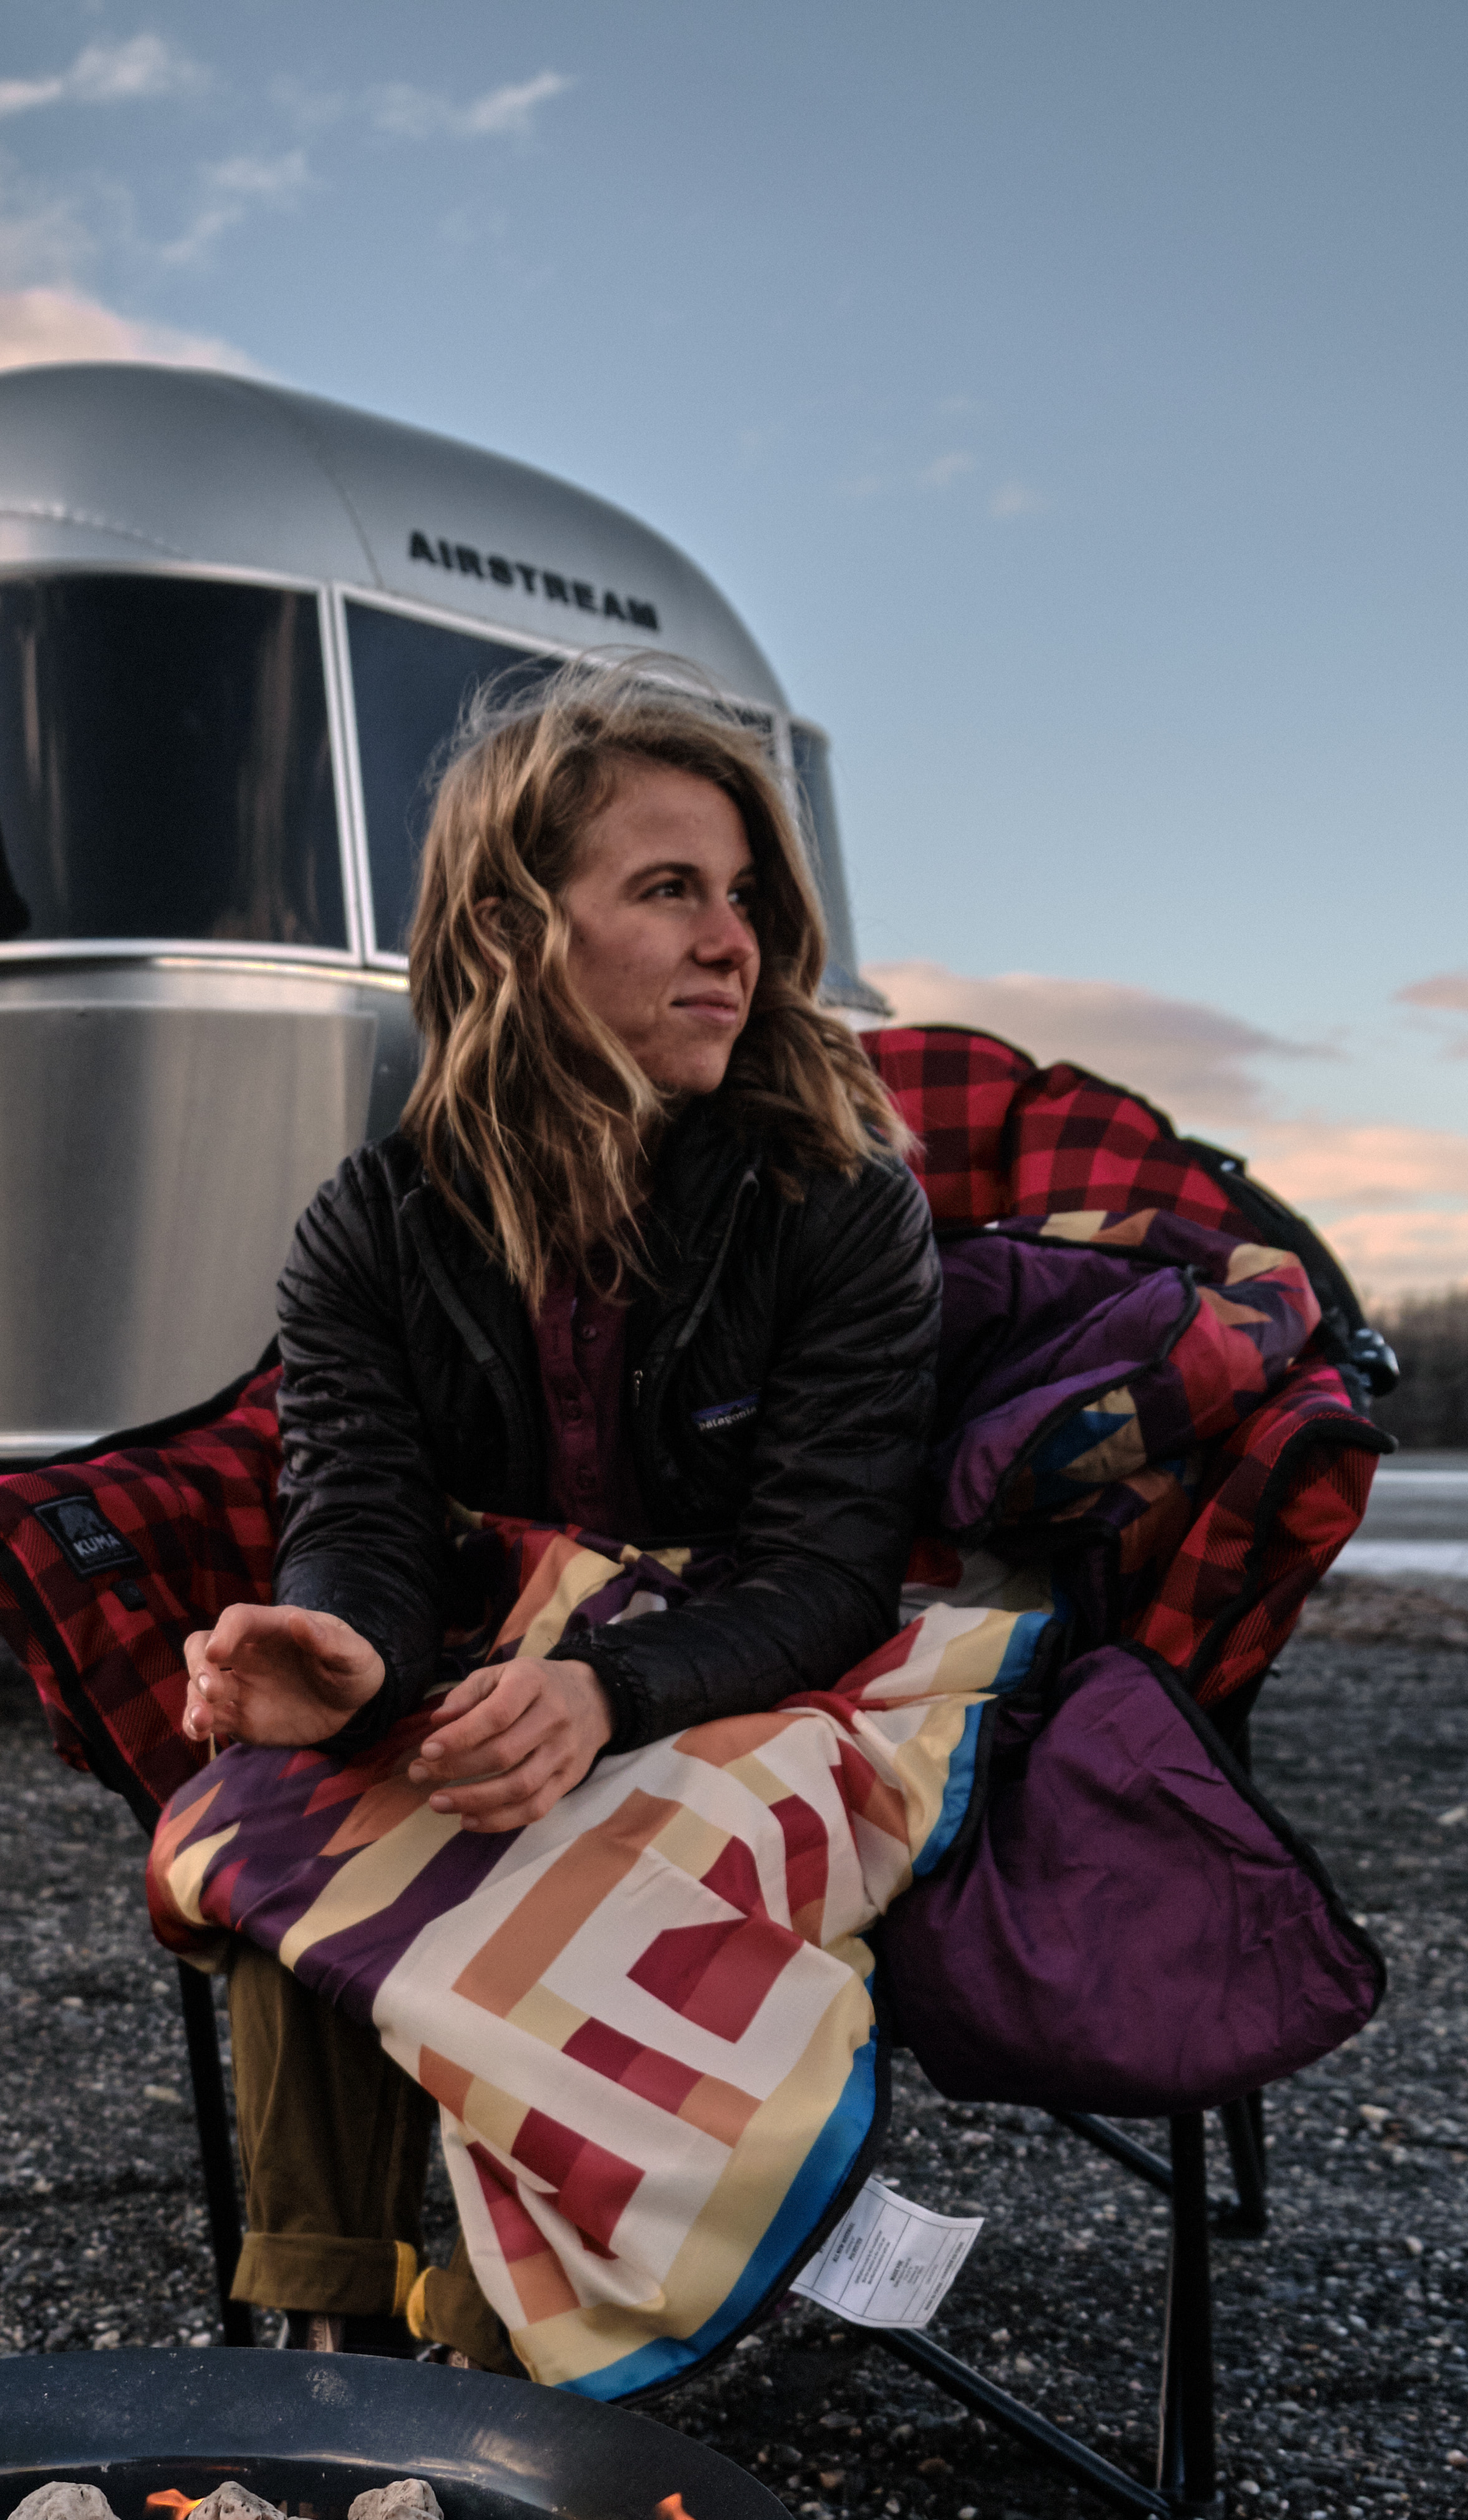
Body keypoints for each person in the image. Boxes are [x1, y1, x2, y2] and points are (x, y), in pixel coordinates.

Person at [183, 657, 939, 2363]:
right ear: (514, 927)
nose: (731, 940)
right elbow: (359, 1517)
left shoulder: (833, 1201)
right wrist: (340, 1654)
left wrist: (614, 1690)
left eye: (744, 894)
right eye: (667, 889)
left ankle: (511, 2355)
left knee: (557, 1853)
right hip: (498, 1654)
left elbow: (825, 1573)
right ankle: (331, 2352)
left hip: (776, 1680)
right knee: (285, 1814)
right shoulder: (371, 1225)